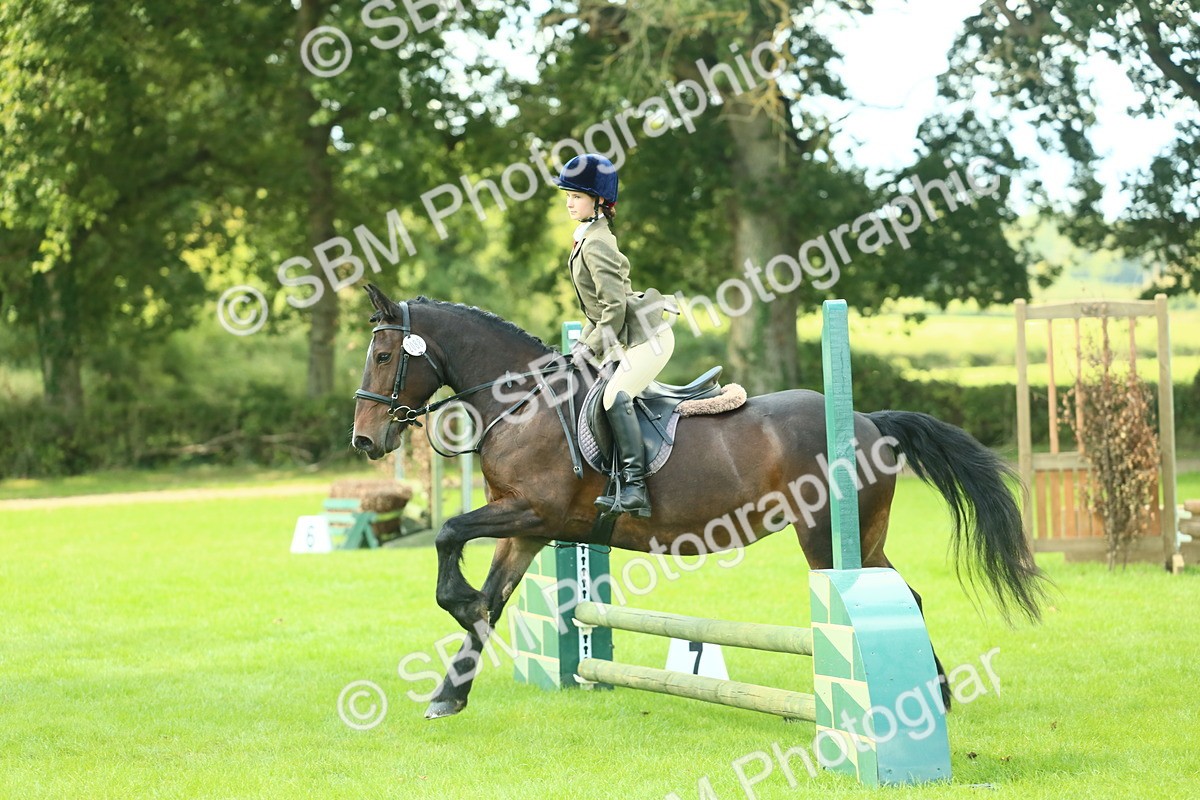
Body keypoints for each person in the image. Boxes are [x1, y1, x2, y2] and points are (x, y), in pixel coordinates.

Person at [555, 153, 675, 518]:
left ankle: (636, 489)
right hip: (626, 336)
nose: (569, 201)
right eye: (568, 195)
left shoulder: (597, 242)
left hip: (646, 339)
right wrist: (580, 348)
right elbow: (599, 313)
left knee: (613, 396)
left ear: (598, 201)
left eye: (576, 195)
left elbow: (614, 309)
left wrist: (587, 350)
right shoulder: (587, 239)